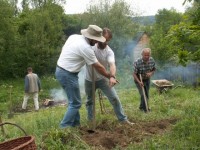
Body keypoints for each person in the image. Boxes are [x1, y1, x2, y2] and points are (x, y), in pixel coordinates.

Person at [55, 25, 118, 128]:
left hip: (62, 70)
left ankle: (76, 125)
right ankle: (64, 127)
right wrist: (110, 76)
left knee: (73, 102)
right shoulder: (85, 47)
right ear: (91, 38)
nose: (97, 42)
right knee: (75, 103)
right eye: (96, 40)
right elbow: (98, 67)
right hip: (67, 74)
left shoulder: (74, 37)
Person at [85, 28, 134, 125]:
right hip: (89, 80)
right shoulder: (90, 47)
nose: (105, 42)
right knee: (90, 101)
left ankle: (123, 120)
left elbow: (112, 65)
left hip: (103, 79)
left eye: (108, 40)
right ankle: (90, 121)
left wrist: (112, 76)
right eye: (104, 39)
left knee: (114, 98)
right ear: (99, 38)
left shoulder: (109, 51)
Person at [132, 48, 156, 112]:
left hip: (147, 79)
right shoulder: (137, 62)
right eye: (145, 55)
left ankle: (141, 107)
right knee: (143, 94)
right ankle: (146, 109)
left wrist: (150, 73)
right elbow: (134, 74)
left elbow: (154, 69)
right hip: (138, 79)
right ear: (142, 55)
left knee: (146, 94)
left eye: (148, 55)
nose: (146, 57)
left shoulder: (152, 60)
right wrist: (139, 82)